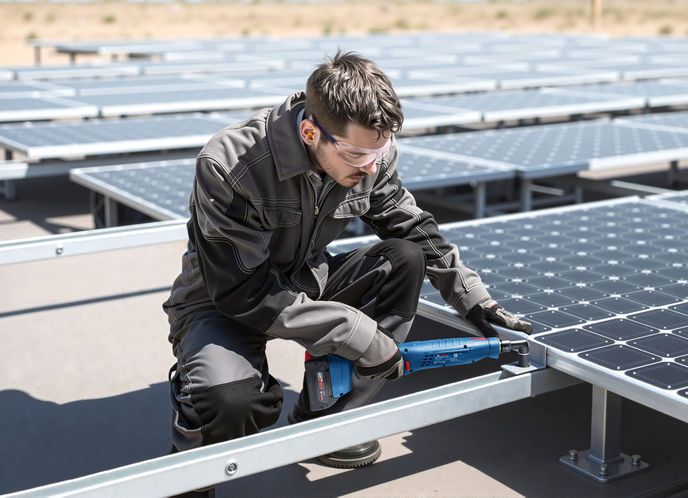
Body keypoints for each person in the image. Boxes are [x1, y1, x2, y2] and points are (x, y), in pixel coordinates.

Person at [162, 50, 531, 487]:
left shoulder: (368, 153)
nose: (371, 166)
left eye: (380, 151)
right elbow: (243, 291)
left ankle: (326, 419)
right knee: (231, 403)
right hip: (222, 299)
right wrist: (359, 336)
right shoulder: (230, 163)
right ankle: (188, 478)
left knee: (404, 260)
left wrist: (471, 297)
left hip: (305, 280)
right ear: (310, 132)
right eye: (357, 155)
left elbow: (412, 227)